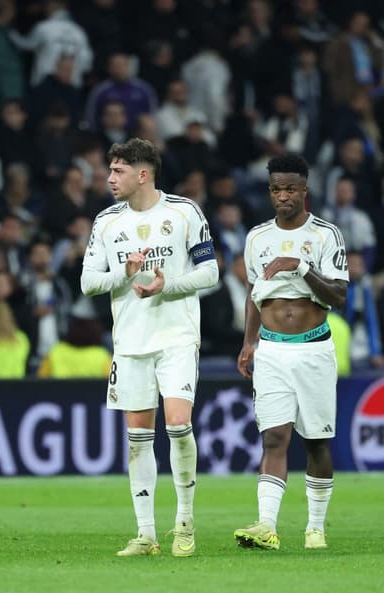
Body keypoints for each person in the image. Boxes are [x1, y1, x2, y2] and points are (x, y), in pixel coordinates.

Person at [80, 138, 218, 557]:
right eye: (110, 170)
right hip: (130, 342)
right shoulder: (106, 222)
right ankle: (146, 534)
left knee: (177, 425)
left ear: (143, 174)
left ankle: (185, 524)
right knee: (138, 439)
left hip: (176, 336)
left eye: (118, 171)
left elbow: (210, 271)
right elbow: (88, 283)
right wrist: (125, 274)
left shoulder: (184, 212)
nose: (109, 178)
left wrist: (167, 285)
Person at [234, 154, 349, 551]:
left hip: (313, 349)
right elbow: (253, 294)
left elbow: (339, 294)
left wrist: (300, 266)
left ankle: (315, 527)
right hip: (271, 351)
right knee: (274, 438)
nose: (282, 196)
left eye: (289, 189)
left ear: (304, 191)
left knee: (316, 441)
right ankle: (266, 525)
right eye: (275, 189)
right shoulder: (256, 237)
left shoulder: (325, 235)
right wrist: (249, 342)